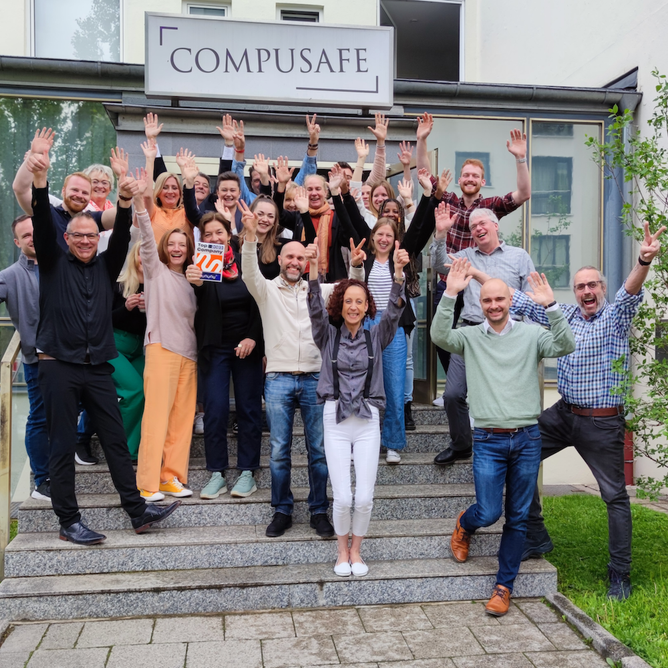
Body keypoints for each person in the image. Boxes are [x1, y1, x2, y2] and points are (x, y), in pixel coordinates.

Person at [25, 150, 179, 545]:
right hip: (58, 365)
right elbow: (42, 221)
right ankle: (68, 521)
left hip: (97, 366)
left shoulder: (105, 266)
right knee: (62, 445)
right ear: (66, 238)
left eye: (91, 236)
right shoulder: (53, 262)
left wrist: (125, 198)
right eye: (77, 235)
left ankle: (137, 511)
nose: (84, 241)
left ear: (98, 239)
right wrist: (40, 182)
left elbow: (123, 233)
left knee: (114, 439)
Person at [512, 221, 666, 600]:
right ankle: (536, 534)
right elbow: (517, 301)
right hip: (563, 414)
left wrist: (643, 260)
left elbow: (631, 291)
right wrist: (474, 272)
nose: (586, 291)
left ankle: (620, 574)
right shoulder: (562, 314)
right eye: (580, 286)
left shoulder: (615, 317)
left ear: (602, 288)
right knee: (516, 455)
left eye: (592, 285)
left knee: (614, 497)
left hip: (601, 422)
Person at [431, 258, 575, 616]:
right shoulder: (470, 338)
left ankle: (503, 587)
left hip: (527, 438)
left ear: (510, 300)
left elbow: (565, 344)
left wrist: (551, 306)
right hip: (488, 440)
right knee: (489, 511)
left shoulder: (531, 335)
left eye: (499, 299)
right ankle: (465, 523)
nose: (494, 305)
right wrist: (450, 294)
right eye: (487, 300)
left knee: (518, 517)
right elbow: (439, 337)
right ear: (480, 304)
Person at [308, 238, 408, 577]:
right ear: (341, 305)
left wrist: (398, 276)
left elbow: (394, 313)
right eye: (348, 301)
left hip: (367, 419)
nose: (353, 307)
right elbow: (314, 310)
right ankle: (341, 552)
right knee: (342, 497)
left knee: (364, 497)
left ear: (367, 307)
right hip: (335, 418)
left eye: (359, 302)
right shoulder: (327, 336)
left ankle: (356, 551)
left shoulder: (375, 337)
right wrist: (312, 270)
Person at [241, 203, 335, 540]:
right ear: (280, 260)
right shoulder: (266, 290)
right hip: (278, 379)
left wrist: (355, 266)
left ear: (306, 262)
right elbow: (248, 272)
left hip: (314, 378)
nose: (295, 262)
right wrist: (249, 237)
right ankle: (282, 510)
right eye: (289, 257)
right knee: (279, 451)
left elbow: (350, 292)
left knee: (318, 451)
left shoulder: (317, 291)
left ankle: (319, 510)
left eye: (300, 258)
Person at [431, 208, 536, 466]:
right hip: (472, 332)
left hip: (509, 334)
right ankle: (462, 444)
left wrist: (531, 338)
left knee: (509, 395)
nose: (477, 229)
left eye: (482, 223)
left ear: (495, 225)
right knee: (452, 394)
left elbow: (531, 298)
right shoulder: (466, 257)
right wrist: (441, 234)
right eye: (472, 227)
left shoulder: (519, 256)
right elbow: (438, 264)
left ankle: (516, 451)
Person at [185, 212, 264, 499]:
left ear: (229, 234)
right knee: (215, 409)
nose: (214, 238)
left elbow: (261, 301)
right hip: (215, 347)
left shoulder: (246, 261)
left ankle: (247, 472)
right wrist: (195, 283)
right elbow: (200, 298)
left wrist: (253, 337)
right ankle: (216, 472)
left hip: (247, 347)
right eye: (208, 234)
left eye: (219, 232)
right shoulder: (201, 266)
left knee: (249, 408)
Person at [135, 169, 198, 502]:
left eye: (181, 244)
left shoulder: (193, 280)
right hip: (161, 349)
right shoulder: (155, 272)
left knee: (181, 422)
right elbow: (146, 237)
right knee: (156, 419)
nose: (176, 248)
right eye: (171, 244)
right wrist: (139, 201)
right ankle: (147, 484)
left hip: (189, 355)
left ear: (189, 249)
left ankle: (171, 477)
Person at [0, 215, 50, 500]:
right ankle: (43, 481)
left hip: (72, 356)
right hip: (37, 360)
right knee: (40, 418)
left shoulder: (60, 265)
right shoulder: (9, 276)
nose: (33, 238)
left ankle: (79, 443)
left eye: (35, 231)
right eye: (26, 235)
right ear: (18, 243)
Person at [12, 128, 118, 251]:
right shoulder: (49, 214)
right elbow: (21, 189)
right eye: (75, 190)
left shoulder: (91, 218)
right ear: (63, 191)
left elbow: (121, 214)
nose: (79, 195)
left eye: (84, 192)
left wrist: (122, 179)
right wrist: (34, 156)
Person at [110, 242, 147, 460]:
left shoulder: (158, 286)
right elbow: (103, 320)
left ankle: (139, 447)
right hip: (114, 346)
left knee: (151, 390)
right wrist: (126, 308)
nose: (145, 259)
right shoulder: (119, 284)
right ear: (134, 257)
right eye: (142, 254)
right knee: (135, 391)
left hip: (139, 348)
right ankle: (123, 452)